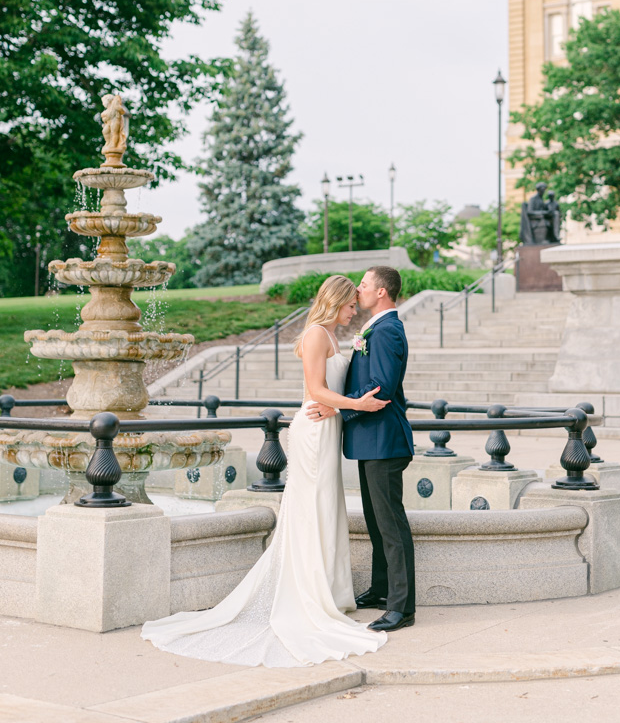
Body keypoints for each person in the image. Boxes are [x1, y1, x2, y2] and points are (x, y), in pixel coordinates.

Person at [141, 275, 388, 667]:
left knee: (328, 507)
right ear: (336, 301)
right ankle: (308, 596)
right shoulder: (314, 335)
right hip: (314, 428)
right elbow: (316, 391)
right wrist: (358, 405)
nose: (354, 311)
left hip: (329, 427)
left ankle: (330, 591)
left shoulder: (331, 335)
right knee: (313, 508)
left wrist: (345, 406)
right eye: (350, 305)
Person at [306, 265, 416, 632]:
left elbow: (381, 388)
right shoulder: (373, 329)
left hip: (384, 440)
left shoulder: (387, 330)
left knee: (390, 525)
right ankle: (382, 590)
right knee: (374, 520)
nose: (360, 289)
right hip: (370, 440)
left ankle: (402, 607)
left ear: (381, 292)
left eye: (365, 285)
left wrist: (337, 406)